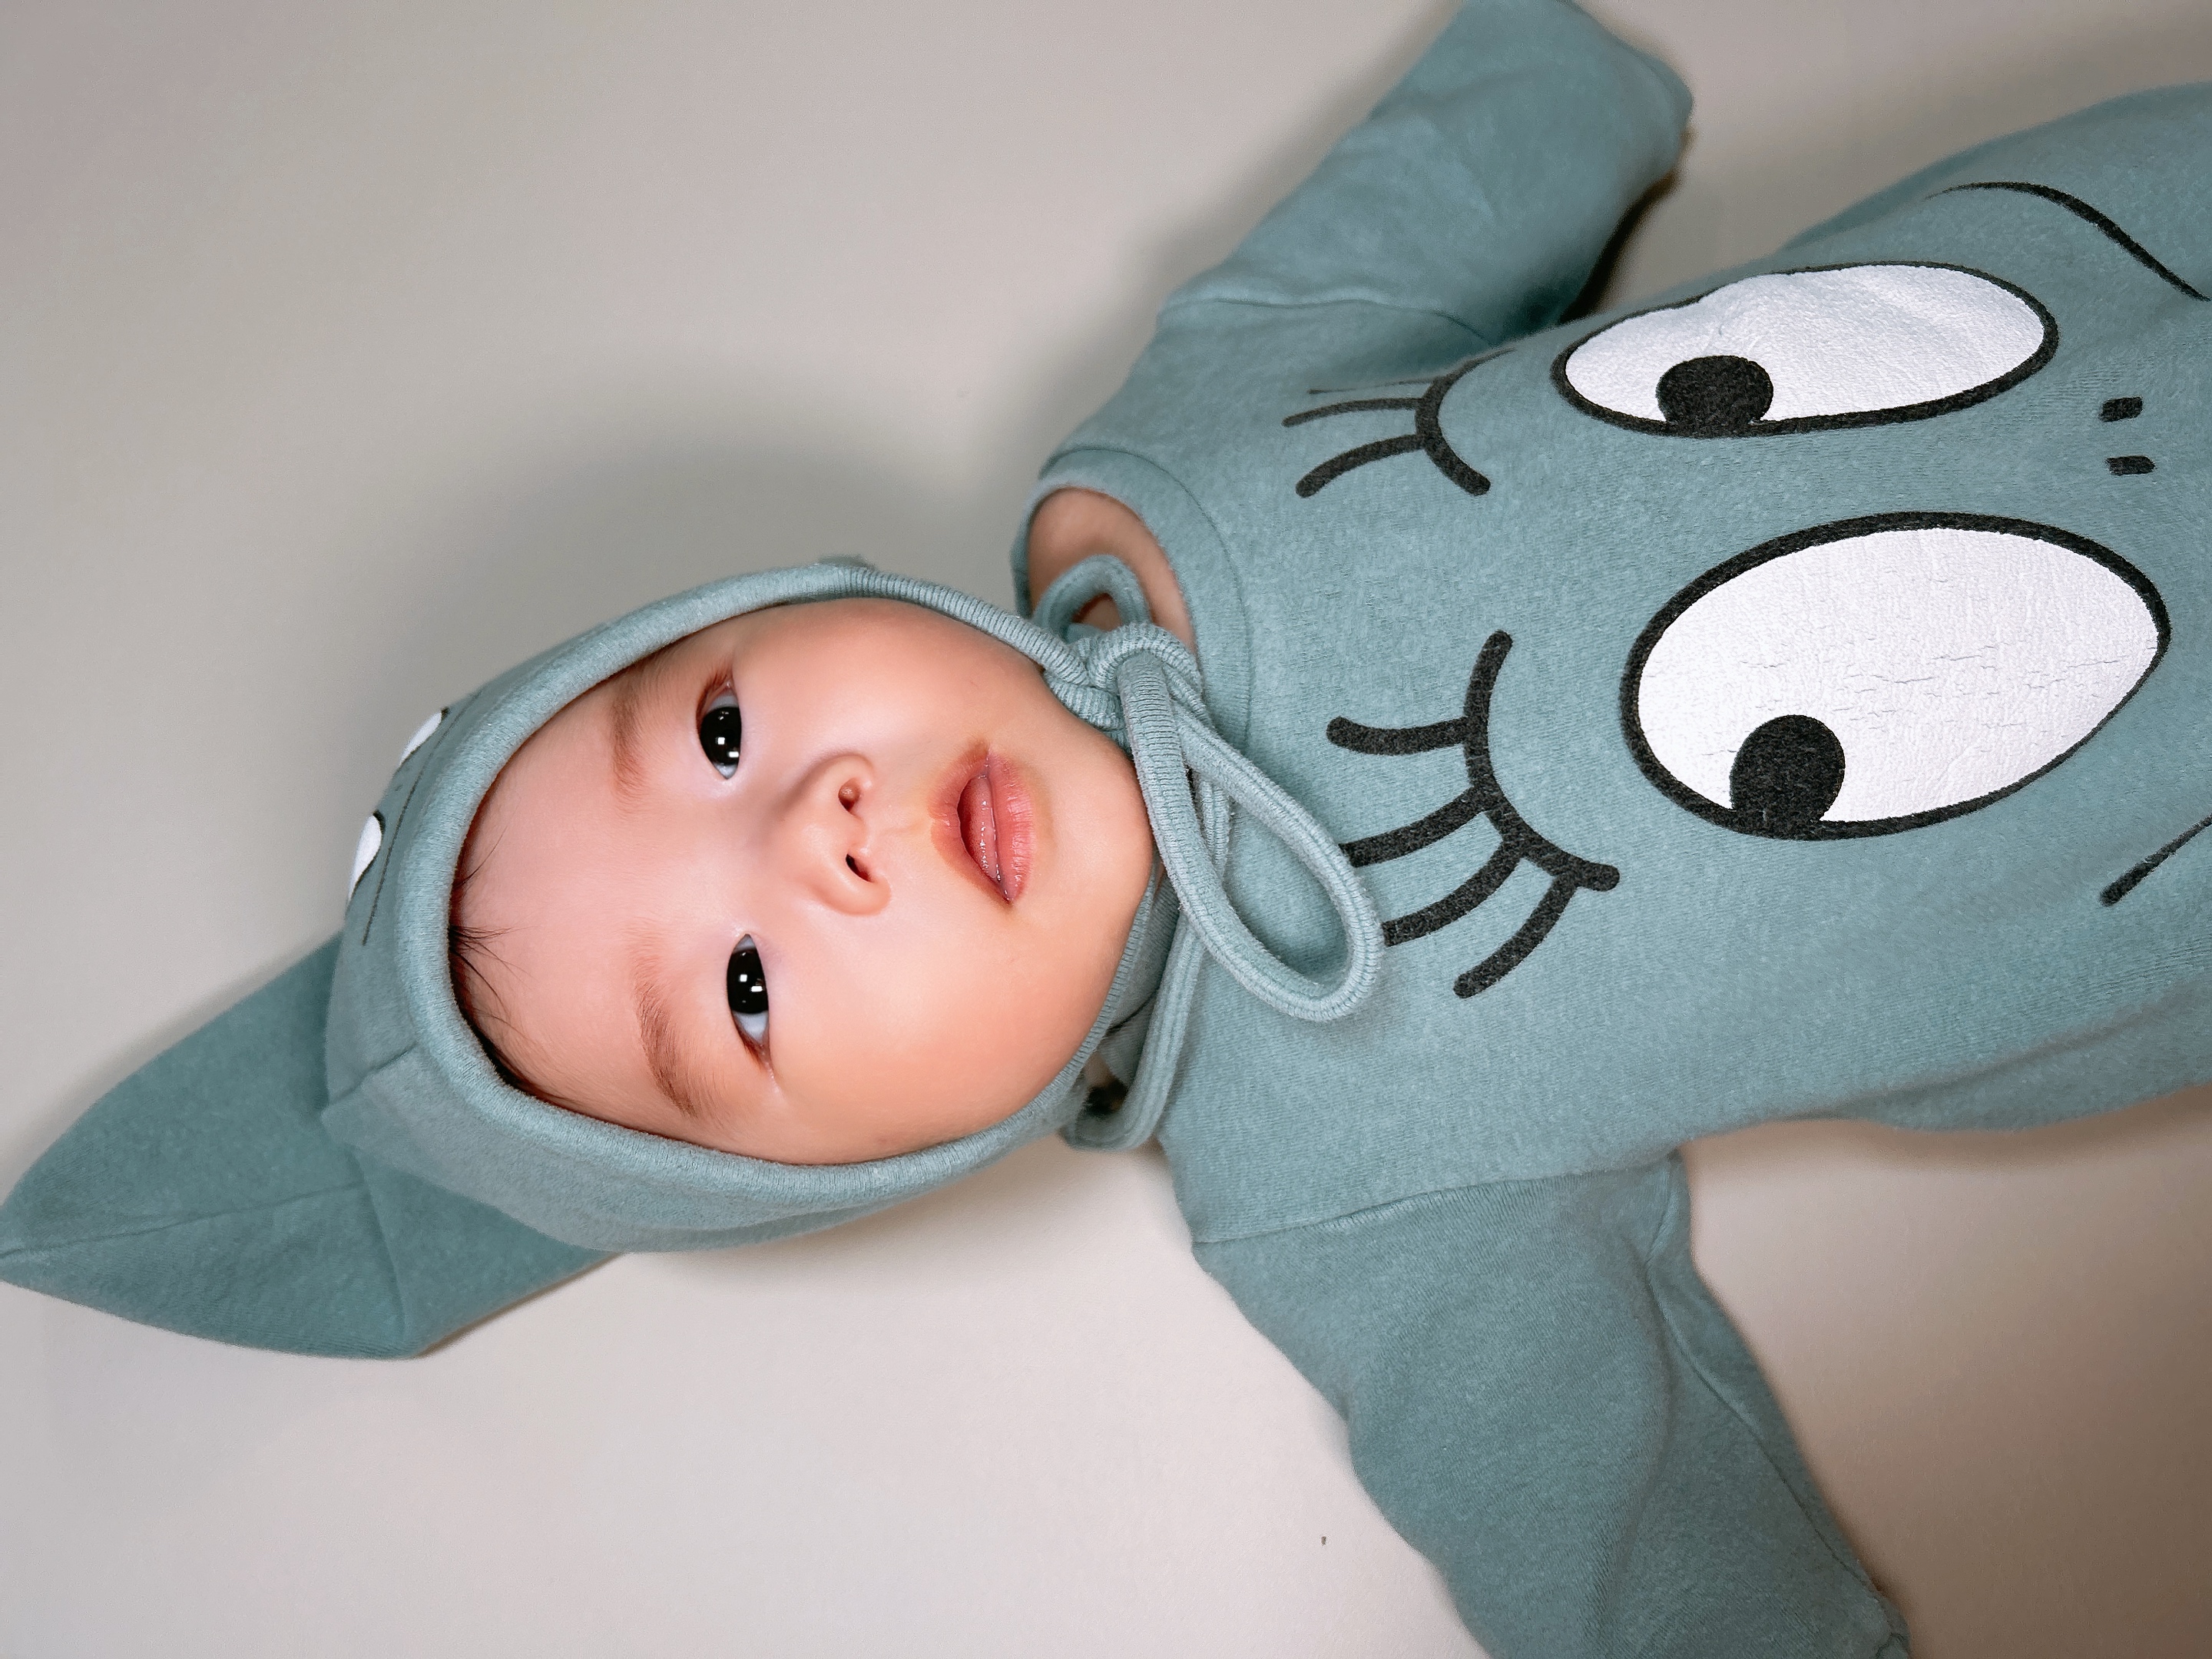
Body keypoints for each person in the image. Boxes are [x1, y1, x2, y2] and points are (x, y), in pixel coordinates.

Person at [6, 2, 2210, 1653]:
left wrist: (1554, 83)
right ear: (869, 1172)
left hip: (2122, 241)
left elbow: (1400, 231)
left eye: (720, 729)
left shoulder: (1147, 482)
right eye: (750, 992)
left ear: (773, 598)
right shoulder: (1338, 1183)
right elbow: (1585, 1480)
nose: (823, 828)